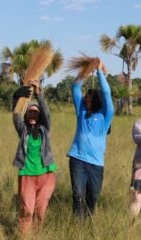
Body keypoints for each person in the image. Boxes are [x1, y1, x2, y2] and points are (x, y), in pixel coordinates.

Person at [67, 60, 114, 217]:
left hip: (96, 164)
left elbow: (107, 94)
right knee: (78, 196)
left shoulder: (105, 117)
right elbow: (75, 87)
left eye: (89, 98)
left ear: (97, 101)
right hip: (78, 160)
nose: (86, 99)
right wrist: (87, 70)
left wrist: (100, 71)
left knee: (92, 198)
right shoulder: (81, 113)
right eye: (86, 97)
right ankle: (78, 227)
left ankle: (88, 223)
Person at [12, 80, 57, 236]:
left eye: (35, 112)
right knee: (27, 210)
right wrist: (16, 96)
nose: (32, 114)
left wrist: (38, 94)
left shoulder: (45, 129)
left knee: (40, 210)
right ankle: (24, 235)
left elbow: (47, 113)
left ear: (39, 116)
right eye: (29, 112)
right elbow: (16, 114)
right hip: (27, 175)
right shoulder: (23, 130)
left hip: (46, 175)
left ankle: (37, 235)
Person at [130, 119, 141, 216]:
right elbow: (137, 138)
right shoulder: (138, 123)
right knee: (137, 198)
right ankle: (131, 226)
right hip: (139, 166)